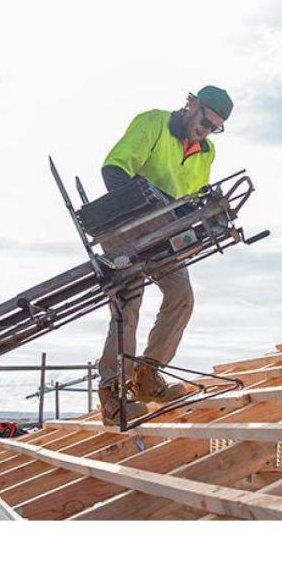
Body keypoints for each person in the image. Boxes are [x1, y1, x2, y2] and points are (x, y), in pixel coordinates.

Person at [97, 85, 233, 425]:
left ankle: (146, 377)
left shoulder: (206, 151)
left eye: (215, 127)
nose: (207, 130)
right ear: (191, 104)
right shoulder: (153, 122)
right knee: (129, 302)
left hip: (165, 232)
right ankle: (113, 395)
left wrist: (207, 214)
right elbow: (113, 171)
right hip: (124, 224)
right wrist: (146, 212)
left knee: (181, 296)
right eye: (205, 120)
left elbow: (192, 197)